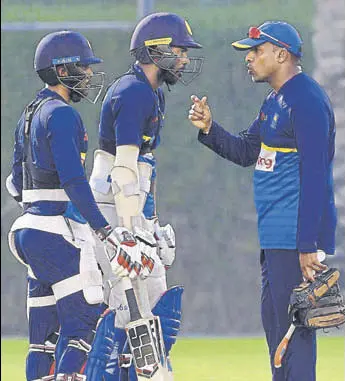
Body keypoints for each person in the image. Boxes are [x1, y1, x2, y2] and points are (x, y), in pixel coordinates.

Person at [188, 21, 337, 381]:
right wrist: (210, 128)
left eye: (257, 51)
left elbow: (316, 177)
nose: (249, 58)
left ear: (282, 54)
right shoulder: (275, 101)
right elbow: (245, 151)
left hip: (293, 240)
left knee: (296, 335)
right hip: (275, 237)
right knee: (278, 335)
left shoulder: (307, 101)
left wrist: (307, 246)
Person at [6, 30, 153, 381]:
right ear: (62, 71)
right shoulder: (62, 114)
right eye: (83, 69)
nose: (88, 76)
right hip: (54, 231)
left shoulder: (28, 113)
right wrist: (106, 231)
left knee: (41, 341)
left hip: (27, 231)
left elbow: (14, 183)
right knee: (84, 322)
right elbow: (73, 182)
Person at [85, 12, 204, 381]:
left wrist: (148, 224)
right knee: (133, 306)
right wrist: (129, 232)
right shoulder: (134, 92)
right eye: (179, 50)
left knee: (151, 307)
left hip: (132, 208)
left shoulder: (150, 91)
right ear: (157, 51)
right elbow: (123, 170)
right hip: (116, 207)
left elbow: (142, 171)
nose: (184, 59)